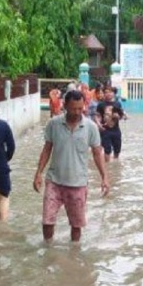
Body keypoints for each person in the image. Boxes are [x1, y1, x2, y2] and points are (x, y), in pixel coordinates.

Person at [33, 90, 110, 245]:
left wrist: (105, 177)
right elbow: (47, 149)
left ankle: (74, 253)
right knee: (47, 221)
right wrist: (38, 173)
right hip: (54, 181)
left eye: (80, 108)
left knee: (76, 225)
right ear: (65, 105)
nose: (77, 112)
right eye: (73, 108)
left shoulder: (90, 127)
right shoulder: (53, 124)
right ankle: (48, 250)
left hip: (78, 184)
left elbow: (97, 153)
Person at [95, 86, 126, 162]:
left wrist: (119, 117)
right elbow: (97, 116)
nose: (108, 94)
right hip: (105, 130)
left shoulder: (118, 104)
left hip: (116, 130)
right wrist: (98, 124)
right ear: (104, 94)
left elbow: (122, 116)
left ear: (114, 93)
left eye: (110, 92)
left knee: (117, 149)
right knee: (107, 149)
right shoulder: (101, 104)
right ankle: (107, 166)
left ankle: (115, 164)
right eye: (106, 92)